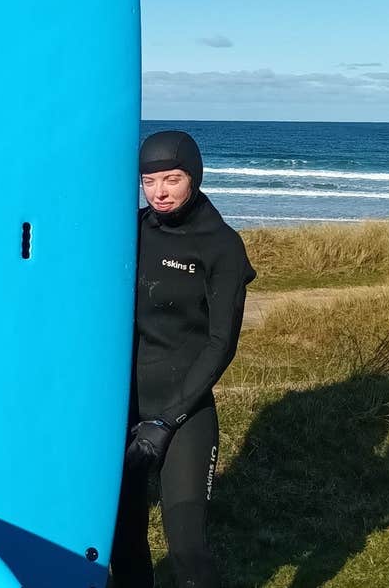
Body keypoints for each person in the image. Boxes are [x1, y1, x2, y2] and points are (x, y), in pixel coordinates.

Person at [112, 130, 255, 588]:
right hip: (121, 406)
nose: (160, 192)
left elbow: (221, 344)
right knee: (121, 541)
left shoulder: (221, 246)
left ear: (193, 176)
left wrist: (166, 420)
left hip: (184, 410)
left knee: (188, 549)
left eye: (172, 178)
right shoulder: (130, 230)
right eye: (149, 181)